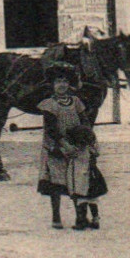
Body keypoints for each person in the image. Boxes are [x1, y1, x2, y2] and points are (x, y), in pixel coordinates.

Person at [35, 68, 93, 230]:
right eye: (58, 82)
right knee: (56, 183)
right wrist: (65, 145)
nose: (62, 85)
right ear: (52, 85)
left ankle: (80, 217)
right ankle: (56, 217)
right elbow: (51, 130)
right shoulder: (49, 105)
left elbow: (85, 122)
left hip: (76, 146)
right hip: (56, 148)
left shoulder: (76, 101)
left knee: (77, 181)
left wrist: (87, 140)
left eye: (65, 81)